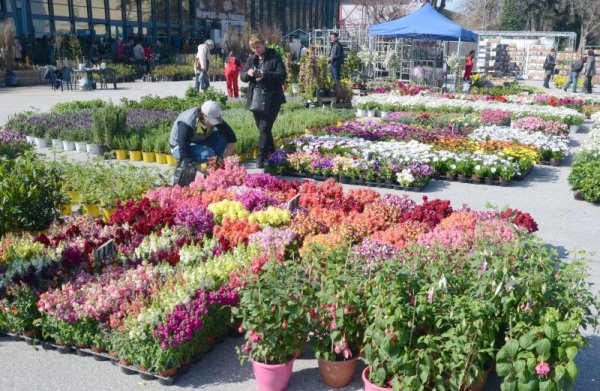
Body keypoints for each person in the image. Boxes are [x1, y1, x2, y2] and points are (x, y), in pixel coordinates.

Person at [240, 34, 286, 169]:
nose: (256, 50)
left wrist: (264, 74)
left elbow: (282, 75)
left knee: (265, 127)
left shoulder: (274, 57)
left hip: (272, 97)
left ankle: (260, 157)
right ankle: (272, 152)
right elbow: (242, 77)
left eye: (258, 47)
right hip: (256, 97)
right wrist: (248, 74)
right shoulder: (252, 59)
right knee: (261, 127)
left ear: (264, 44)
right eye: (254, 48)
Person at [169, 100, 237, 185]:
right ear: (204, 115)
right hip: (179, 148)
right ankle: (185, 182)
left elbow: (232, 138)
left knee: (222, 137)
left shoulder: (212, 115)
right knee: (207, 153)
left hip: (198, 142)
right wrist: (204, 171)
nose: (213, 124)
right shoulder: (187, 123)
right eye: (212, 121)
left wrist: (225, 162)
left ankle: (215, 170)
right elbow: (184, 153)